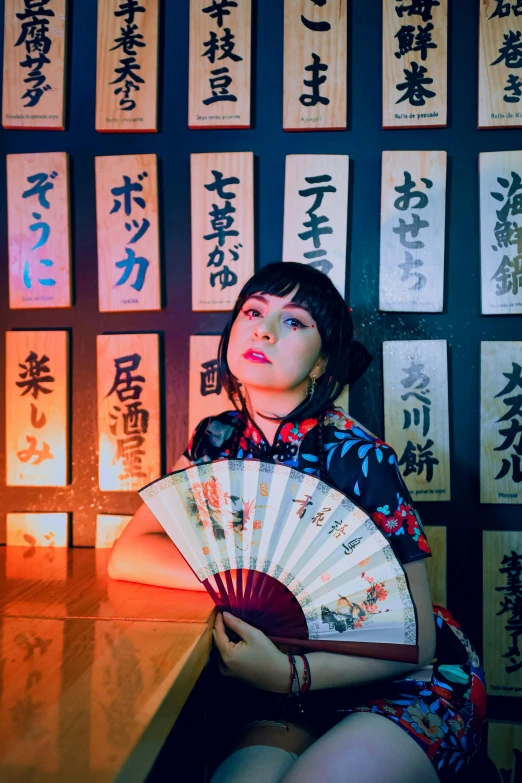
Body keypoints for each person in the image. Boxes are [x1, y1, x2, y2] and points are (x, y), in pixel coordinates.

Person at [108, 262, 486, 783]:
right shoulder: (214, 442)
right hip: (280, 696)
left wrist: (288, 672)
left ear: (322, 361)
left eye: (295, 322)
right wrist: (236, 583)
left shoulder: (359, 456)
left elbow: (416, 638)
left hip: (397, 683)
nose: (264, 329)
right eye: (254, 311)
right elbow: (129, 554)